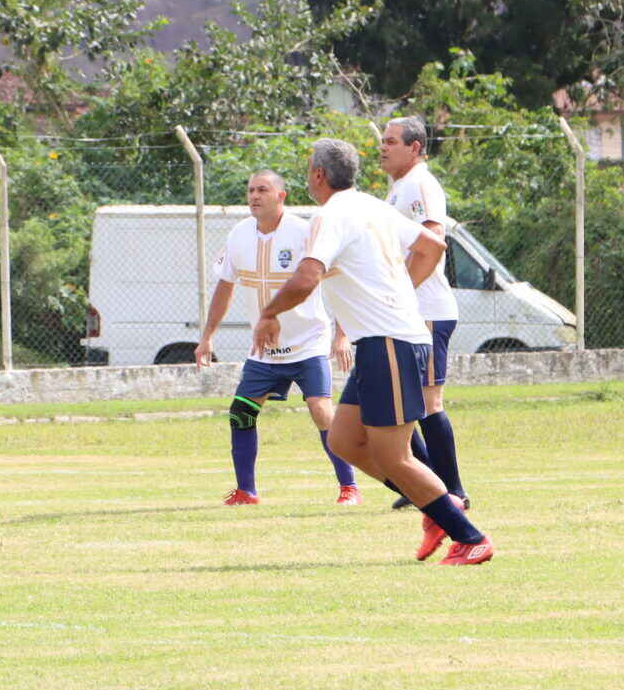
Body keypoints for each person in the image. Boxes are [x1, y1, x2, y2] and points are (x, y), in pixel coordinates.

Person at [254, 139, 492, 564]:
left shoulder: (331, 216)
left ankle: (468, 535)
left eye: (309, 168)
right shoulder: (370, 206)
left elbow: (308, 276)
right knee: (345, 441)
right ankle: (437, 508)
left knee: (393, 456)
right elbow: (432, 247)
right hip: (378, 343)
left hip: (391, 343)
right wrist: (400, 293)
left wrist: (268, 314)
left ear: (318, 176)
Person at [196, 168, 359, 505]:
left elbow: (339, 282)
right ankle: (246, 491)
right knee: (241, 412)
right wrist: (207, 337)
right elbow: (224, 288)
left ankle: (348, 487)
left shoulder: (304, 232)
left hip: (308, 342)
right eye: (251, 190)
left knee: (320, 409)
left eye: (262, 190)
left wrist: (342, 334)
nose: (254, 196)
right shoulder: (239, 234)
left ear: (281, 196)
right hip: (264, 350)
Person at [378, 116, 465, 501]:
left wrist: (403, 293)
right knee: (397, 399)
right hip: (406, 311)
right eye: (382, 140)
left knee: (429, 403)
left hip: (426, 309)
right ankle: (427, 483)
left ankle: (453, 491)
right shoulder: (398, 189)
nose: (383, 146)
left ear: (415, 148)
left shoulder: (420, 184)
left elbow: (432, 240)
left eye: (392, 141)